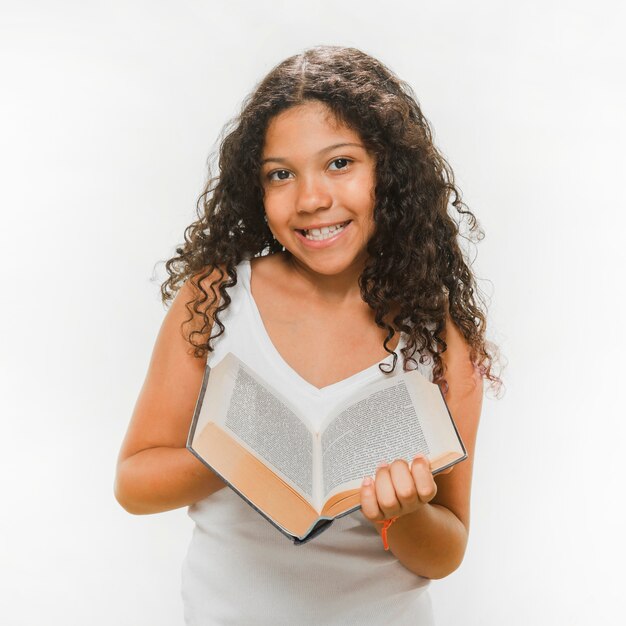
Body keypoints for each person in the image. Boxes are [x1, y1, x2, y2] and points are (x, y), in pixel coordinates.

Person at [114, 45, 502, 625]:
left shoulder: (440, 340)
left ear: (387, 171)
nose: (312, 199)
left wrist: (406, 513)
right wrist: (234, 453)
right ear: (258, 189)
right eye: (281, 174)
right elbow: (133, 482)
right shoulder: (215, 299)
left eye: (340, 163)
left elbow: (445, 551)